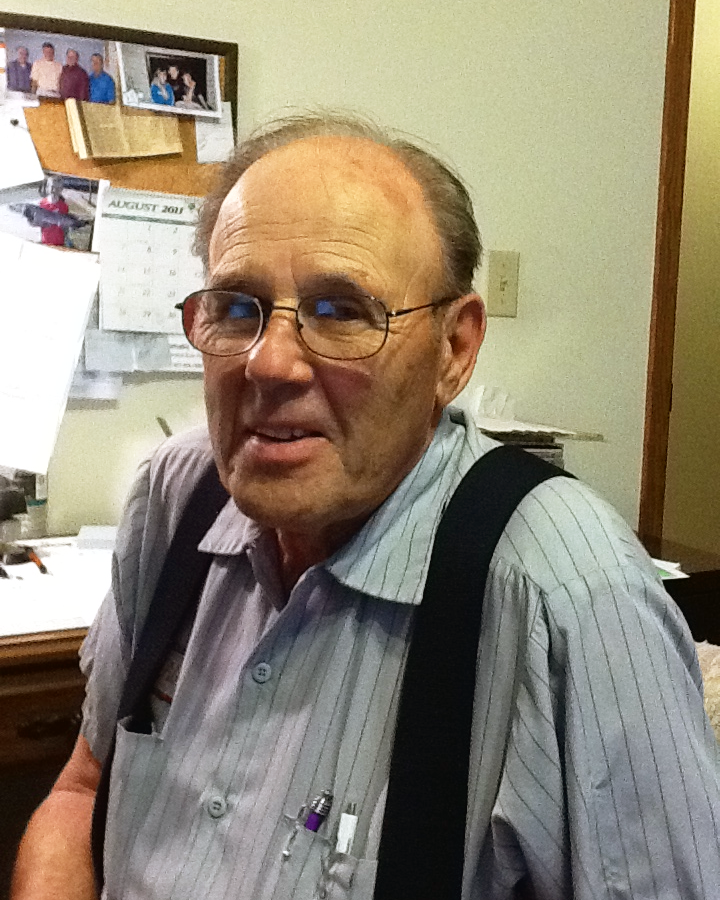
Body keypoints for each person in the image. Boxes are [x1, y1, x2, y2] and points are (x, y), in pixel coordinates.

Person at [11, 113, 720, 900]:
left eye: (341, 311)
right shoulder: (177, 498)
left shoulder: (570, 600)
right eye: (238, 306)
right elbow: (84, 790)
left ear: (455, 349)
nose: (269, 361)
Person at [38, 176, 69, 246]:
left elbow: (65, 227)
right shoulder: (42, 204)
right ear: (48, 188)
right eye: (52, 187)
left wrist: (66, 239)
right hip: (45, 241)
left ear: (61, 189)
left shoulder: (64, 206)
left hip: (59, 242)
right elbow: (39, 224)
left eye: (57, 188)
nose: (54, 190)